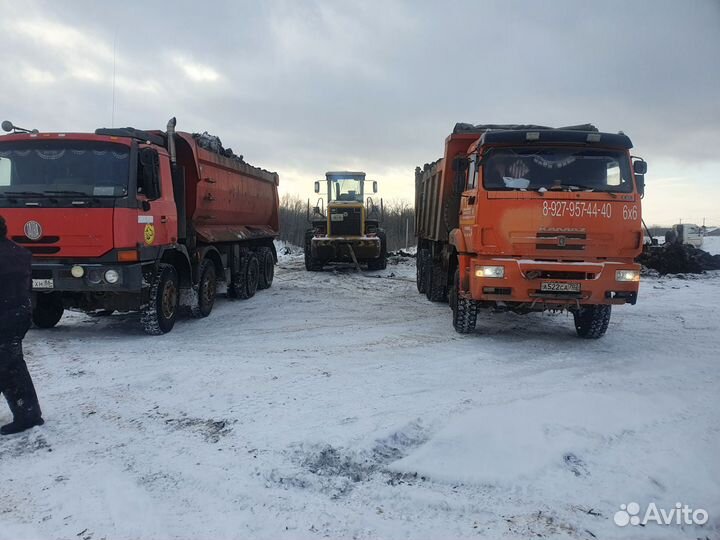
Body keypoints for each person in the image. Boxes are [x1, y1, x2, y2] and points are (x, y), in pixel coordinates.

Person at [0, 215, 44, 435]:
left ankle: (28, 414)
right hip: (18, 315)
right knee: (12, 365)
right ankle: (29, 413)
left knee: (8, 367)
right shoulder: (19, 252)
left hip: (4, 317)